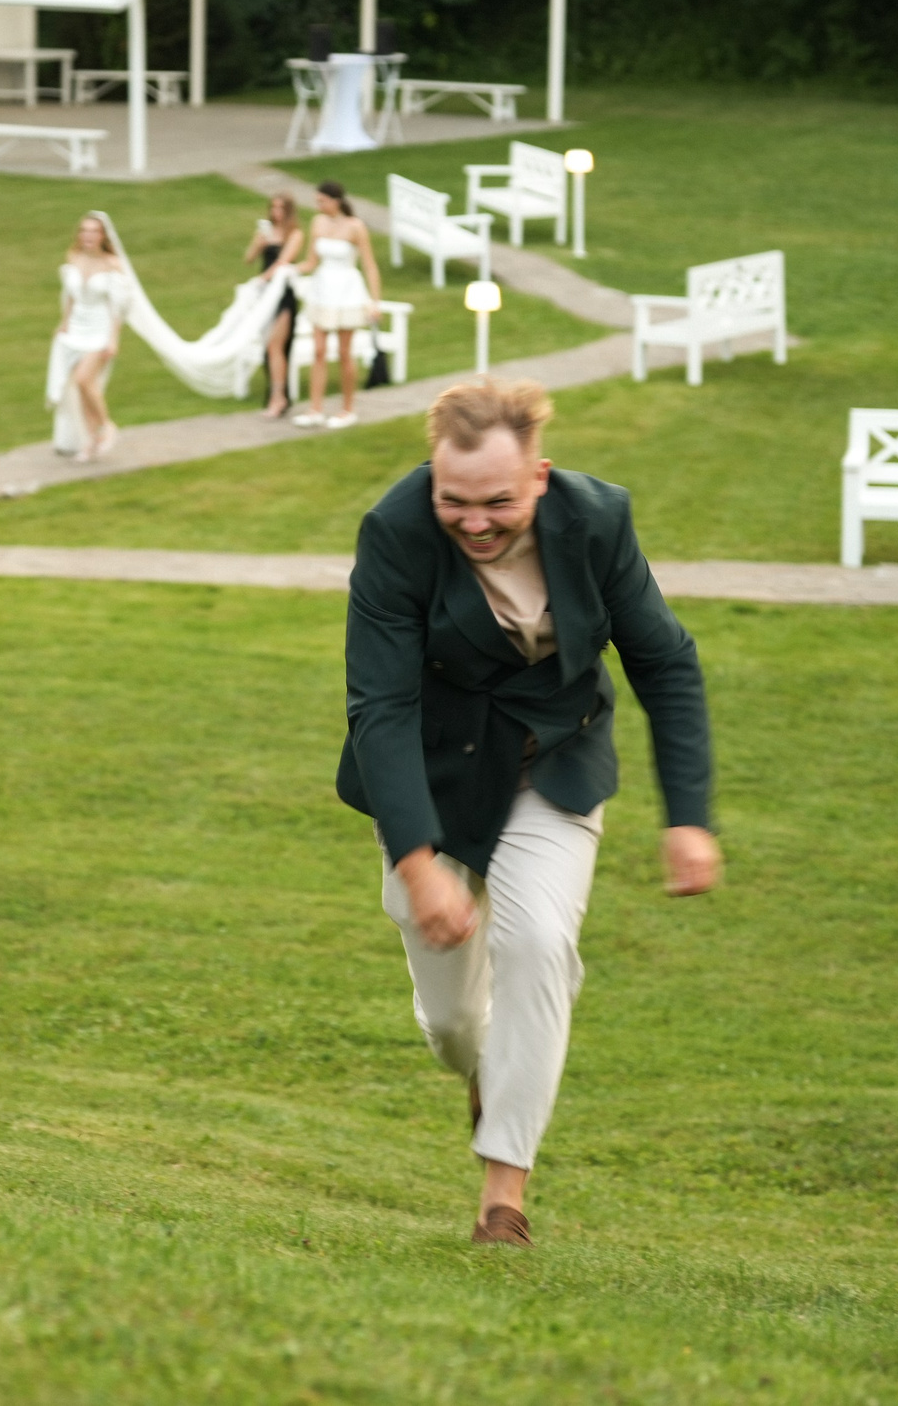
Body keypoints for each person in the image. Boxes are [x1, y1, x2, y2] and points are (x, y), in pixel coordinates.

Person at [338, 377, 721, 1244]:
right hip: (432, 779)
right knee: (452, 1023)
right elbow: (381, 708)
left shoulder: (596, 522)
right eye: (455, 501)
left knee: (540, 944)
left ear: (539, 478)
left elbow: (664, 660)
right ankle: (487, 1071)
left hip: (553, 764)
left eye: (498, 503)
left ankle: (502, 1196)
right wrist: (418, 863)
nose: (475, 522)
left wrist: (687, 815)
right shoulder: (395, 532)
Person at [277, 179, 382, 429]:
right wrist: (290, 269)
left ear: (336, 201)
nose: (319, 206)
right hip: (322, 290)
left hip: (347, 291)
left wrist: (375, 301)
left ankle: (348, 409)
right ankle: (315, 409)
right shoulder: (318, 222)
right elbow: (311, 261)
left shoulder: (355, 227)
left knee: (345, 353)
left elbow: (369, 265)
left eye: (322, 201)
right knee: (319, 351)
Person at [48, 213, 131, 460]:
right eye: (84, 230)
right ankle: (90, 440)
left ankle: (107, 426)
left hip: (99, 330)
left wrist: (113, 339)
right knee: (81, 388)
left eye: (94, 231)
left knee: (84, 380)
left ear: (103, 236)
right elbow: (70, 295)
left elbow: (118, 306)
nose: (88, 236)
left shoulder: (112, 264)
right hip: (76, 329)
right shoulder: (74, 258)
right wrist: (64, 323)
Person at [249, 193, 305, 419]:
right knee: (268, 347)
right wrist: (258, 244)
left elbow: (283, 261)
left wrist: (263, 279)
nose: (276, 212)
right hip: (265, 298)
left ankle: (278, 397)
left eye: (281, 208)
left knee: (275, 346)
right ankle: (276, 395)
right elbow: (249, 258)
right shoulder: (266, 231)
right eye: (273, 207)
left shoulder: (295, 234)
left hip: (282, 295)